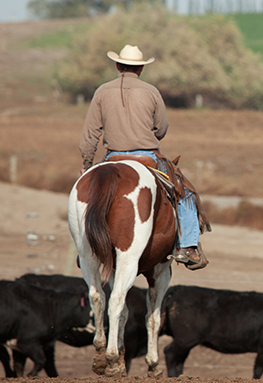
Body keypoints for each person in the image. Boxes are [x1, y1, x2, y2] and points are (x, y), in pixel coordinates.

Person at [79, 44, 206, 269]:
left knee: (87, 195)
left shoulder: (101, 91)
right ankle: (188, 246)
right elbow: (162, 128)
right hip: (147, 157)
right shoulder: (151, 91)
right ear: (140, 69)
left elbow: (91, 133)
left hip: (112, 158)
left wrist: (86, 164)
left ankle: (86, 246)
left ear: (118, 65)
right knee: (185, 192)